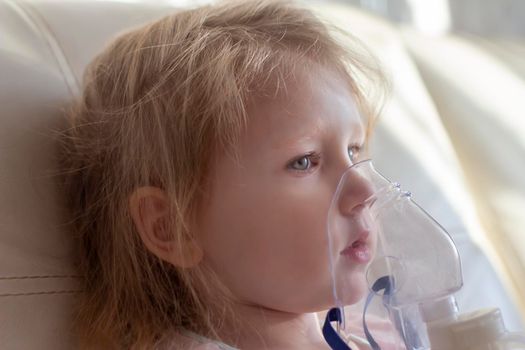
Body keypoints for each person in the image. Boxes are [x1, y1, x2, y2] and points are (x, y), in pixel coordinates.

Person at [58, 0, 388, 348]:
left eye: (354, 150)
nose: (365, 189)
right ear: (173, 226)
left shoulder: (368, 331)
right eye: (304, 161)